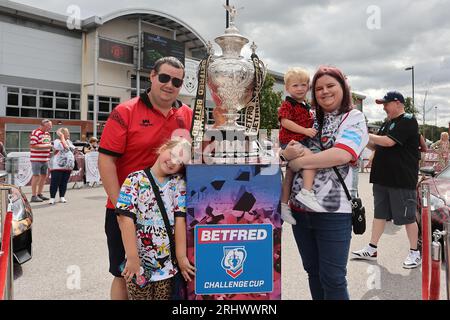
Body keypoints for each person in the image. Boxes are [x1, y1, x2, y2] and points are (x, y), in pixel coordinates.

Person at [98, 56, 192, 300]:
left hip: (168, 214)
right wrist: (121, 207)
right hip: (126, 210)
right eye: (164, 78)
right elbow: (106, 160)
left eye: (176, 81)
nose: (169, 85)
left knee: (166, 277)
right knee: (124, 273)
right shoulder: (125, 111)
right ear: (152, 76)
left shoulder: (187, 114)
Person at [280, 65, 369, 300]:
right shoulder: (314, 120)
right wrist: (287, 156)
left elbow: (342, 154)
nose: (324, 91)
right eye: (319, 88)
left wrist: (299, 163)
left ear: (343, 87)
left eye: (331, 86)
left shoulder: (354, 117)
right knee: (313, 272)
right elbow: (290, 149)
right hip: (300, 210)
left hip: (333, 211)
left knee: (333, 278)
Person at [116, 138, 194, 300]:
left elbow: (180, 220)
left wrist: (181, 258)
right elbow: (125, 220)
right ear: (163, 148)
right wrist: (132, 258)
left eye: (179, 162)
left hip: (167, 267)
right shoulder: (134, 179)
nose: (173, 162)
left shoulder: (179, 184)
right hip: (138, 265)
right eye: (172, 155)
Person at [352, 91, 422, 269]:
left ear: (397, 103)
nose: (383, 107)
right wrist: (363, 136)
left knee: (407, 218)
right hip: (383, 178)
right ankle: (372, 248)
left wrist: (364, 133)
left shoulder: (407, 120)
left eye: (386, 103)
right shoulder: (388, 123)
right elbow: (376, 144)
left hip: (401, 179)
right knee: (379, 215)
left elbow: (389, 142)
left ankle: (415, 252)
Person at [278, 67, 321, 225]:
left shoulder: (306, 106)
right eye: (295, 85)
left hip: (300, 140)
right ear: (287, 88)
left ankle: (283, 206)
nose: (300, 88)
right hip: (292, 141)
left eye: (303, 84)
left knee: (289, 175)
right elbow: (285, 121)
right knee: (311, 159)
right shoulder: (288, 104)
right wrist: (305, 130)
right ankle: (306, 191)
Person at [48, 128, 75, 204]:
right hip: (57, 166)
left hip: (68, 166)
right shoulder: (57, 141)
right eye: (67, 133)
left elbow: (71, 149)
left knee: (64, 182)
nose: (69, 134)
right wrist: (62, 137)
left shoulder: (69, 142)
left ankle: (62, 196)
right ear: (61, 134)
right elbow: (64, 147)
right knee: (55, 182)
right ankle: (52, 197)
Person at [29, 119, 53, 202]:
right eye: (49, 126)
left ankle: (39, 194)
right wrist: (48, 146)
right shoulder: (35, 133)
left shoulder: (47, 134)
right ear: (43, 125)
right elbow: (33, 145)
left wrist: (49, 148)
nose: (50, 127)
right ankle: (33, 195)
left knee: (44, 176)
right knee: (36, 176)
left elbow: (47, 145)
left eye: (51, 126)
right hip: (36, 159)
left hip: (45, 159)